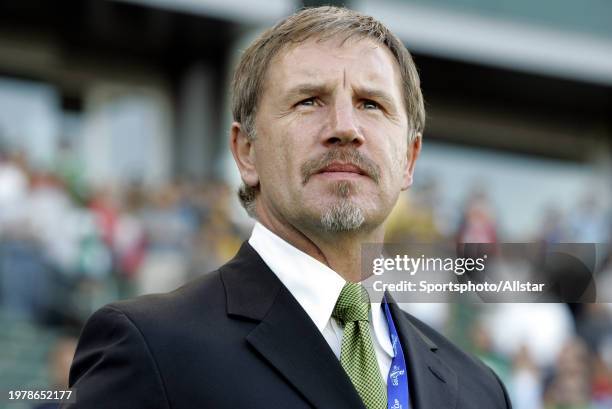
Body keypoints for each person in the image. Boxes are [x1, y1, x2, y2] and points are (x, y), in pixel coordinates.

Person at [63, 6, 512, 409]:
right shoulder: (150, 346)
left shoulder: (479, 390)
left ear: (409, 159)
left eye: (370, 104)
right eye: (309, 101)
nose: (344, 128)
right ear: (246, 152)